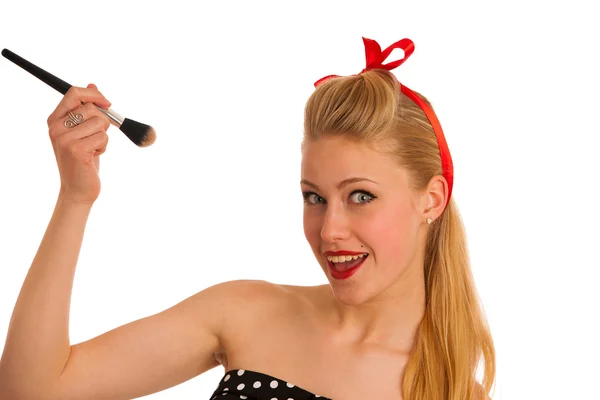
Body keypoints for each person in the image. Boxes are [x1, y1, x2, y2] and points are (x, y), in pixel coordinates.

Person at [0, 37, 495, 400]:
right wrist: (75, 197)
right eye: (314, 197)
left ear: (431, 200)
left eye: (361, 196)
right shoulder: (247, 312)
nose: (329, 231)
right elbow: (33, 390)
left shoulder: (454, 392)